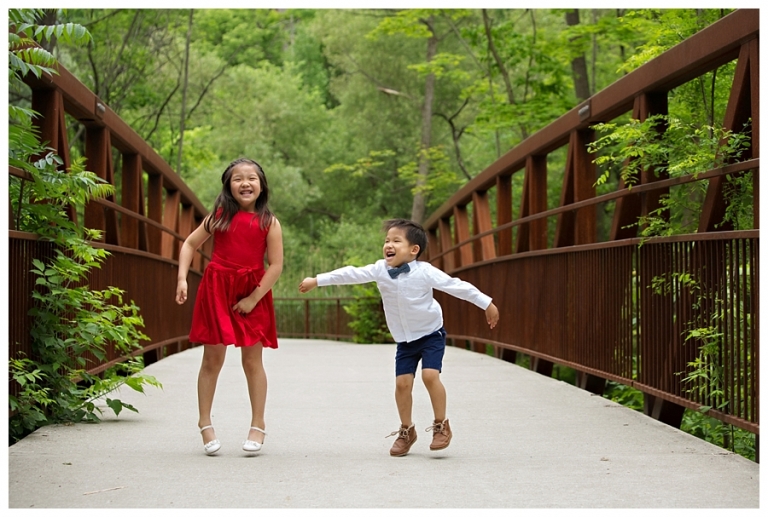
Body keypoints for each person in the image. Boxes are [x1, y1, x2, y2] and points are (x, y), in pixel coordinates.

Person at [299, 218, 499, 456]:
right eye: (386, 241)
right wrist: (318, 280)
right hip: (404, 340)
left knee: (429, 375)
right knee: (402, 385)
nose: (388, 245)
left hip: (431, 333)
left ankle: (441, 425)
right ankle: (407, 430)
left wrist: (486, 303)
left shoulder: (425, 272)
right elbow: (350, 274)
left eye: (396, 240)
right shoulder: (380, 270)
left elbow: (456, 286)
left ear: (414, 250)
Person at [176, 158, 283, 456]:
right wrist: (182, 278)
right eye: (238, 179)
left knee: (252, 361)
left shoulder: (269, 222)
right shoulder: (219, 217)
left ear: (261, 186)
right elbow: (188, 244)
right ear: (228, 186)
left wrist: (253, 299)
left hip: (253, 291)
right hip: (217, 290)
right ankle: (205, 422)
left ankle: (258, 424)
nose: (245, 183)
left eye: (252, 178)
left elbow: (276, 266)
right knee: (212, 359)